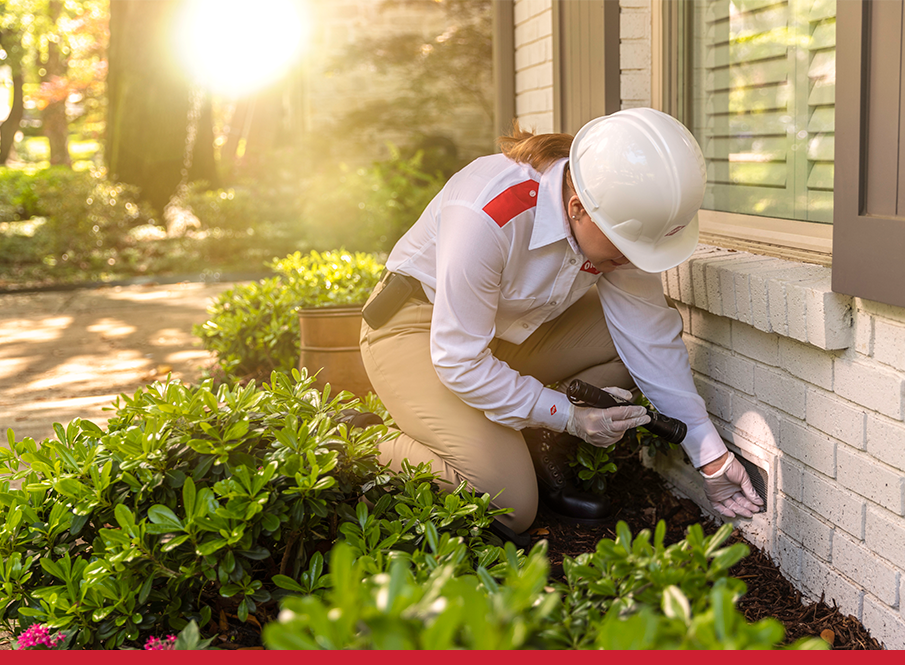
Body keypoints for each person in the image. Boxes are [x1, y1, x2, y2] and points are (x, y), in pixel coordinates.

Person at [358, 107, 764, 537]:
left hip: (506, 334)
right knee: (510, 505)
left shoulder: (614, 219)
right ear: (577, 208)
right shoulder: (488, 212)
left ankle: (538, 444)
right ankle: (362, 442)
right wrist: (568, 415)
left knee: (628, 345)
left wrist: (711, 456)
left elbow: (648, 340)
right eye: (625, 249)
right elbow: (459, 361)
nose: (631, 261)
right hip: (421, 332)